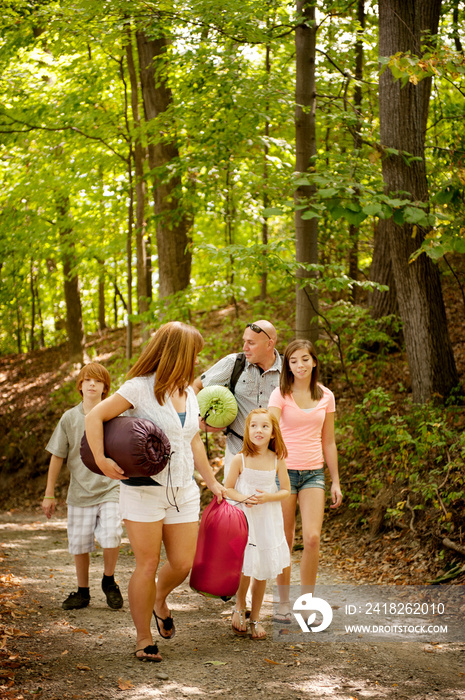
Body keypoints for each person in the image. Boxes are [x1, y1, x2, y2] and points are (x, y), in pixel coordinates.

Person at [84, 322, 226, 663]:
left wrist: (212, 481)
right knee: (147, 564)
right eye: (193, 353)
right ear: (177, 353)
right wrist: (102, 460)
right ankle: (144, 637)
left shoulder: (190, 393)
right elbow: (95, 417)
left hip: (183, 490)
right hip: (143, 490)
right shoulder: (138, 388)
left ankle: (159, 600)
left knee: (181, 563)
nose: (196, 359)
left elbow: (192, 439)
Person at [268, 339, 342, 623]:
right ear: (287, 365)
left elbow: (329, 441)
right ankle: (283, 602)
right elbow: (270, 432)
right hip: (284, 474)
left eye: (304, 359)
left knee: (311, 538)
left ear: (314, 362)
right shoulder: (280, 395)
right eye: (293, 361)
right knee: (285, 539)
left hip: (313, 473)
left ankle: (307, 602)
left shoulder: (326, 396)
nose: (299, 365)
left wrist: (335, 481)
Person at [42, 362, 123, 612]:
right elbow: (57, 455)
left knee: (111, 534)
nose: (91, 384)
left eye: (97, 381)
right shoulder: (69, 418)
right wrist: (49, 493)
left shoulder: (115, 416)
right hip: (79, 490)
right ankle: (82, 591)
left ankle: (109, 581)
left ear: (105, 388)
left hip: (111, 487)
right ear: (80, 385)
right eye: (87, 380)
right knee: (80, 543)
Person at [224, 408, 290, 639]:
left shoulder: (277, 459)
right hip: (245, 519)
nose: (258, 430)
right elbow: (227, 488)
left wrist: (267, 497)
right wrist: (244, 498)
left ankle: (256, 618)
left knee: (262, 569)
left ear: (273, 433)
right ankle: (239, 607)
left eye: (264, 426)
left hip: (267, 519)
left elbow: (286, 490)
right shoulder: (239, 458)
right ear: (247, 430)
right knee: (246, 566)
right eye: (254, 426)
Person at [193, 320, 281, 481]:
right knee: (235, 506)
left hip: (276, 457)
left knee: (272, 506)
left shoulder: (290, 370)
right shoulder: (234, 363)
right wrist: (198, 417)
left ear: (269, 344)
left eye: (251, 343)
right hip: (237, 453)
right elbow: (196, 385)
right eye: (244, 341)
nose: (244, 347)